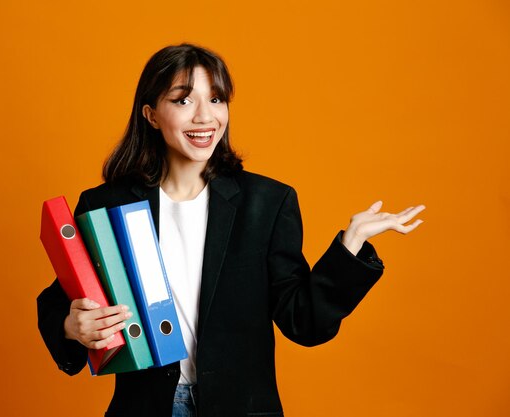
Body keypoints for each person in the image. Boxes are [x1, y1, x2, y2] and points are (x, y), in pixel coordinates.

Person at [37, 43, 425, 417]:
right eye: (183, 100)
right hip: (142, 408)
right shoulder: (107, 204)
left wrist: (350, 245)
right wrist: (72, 326)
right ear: (151, 114)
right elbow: (60, 302)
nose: (205, 117)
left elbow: (303, 322)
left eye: (217, 99)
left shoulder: (268, 203)